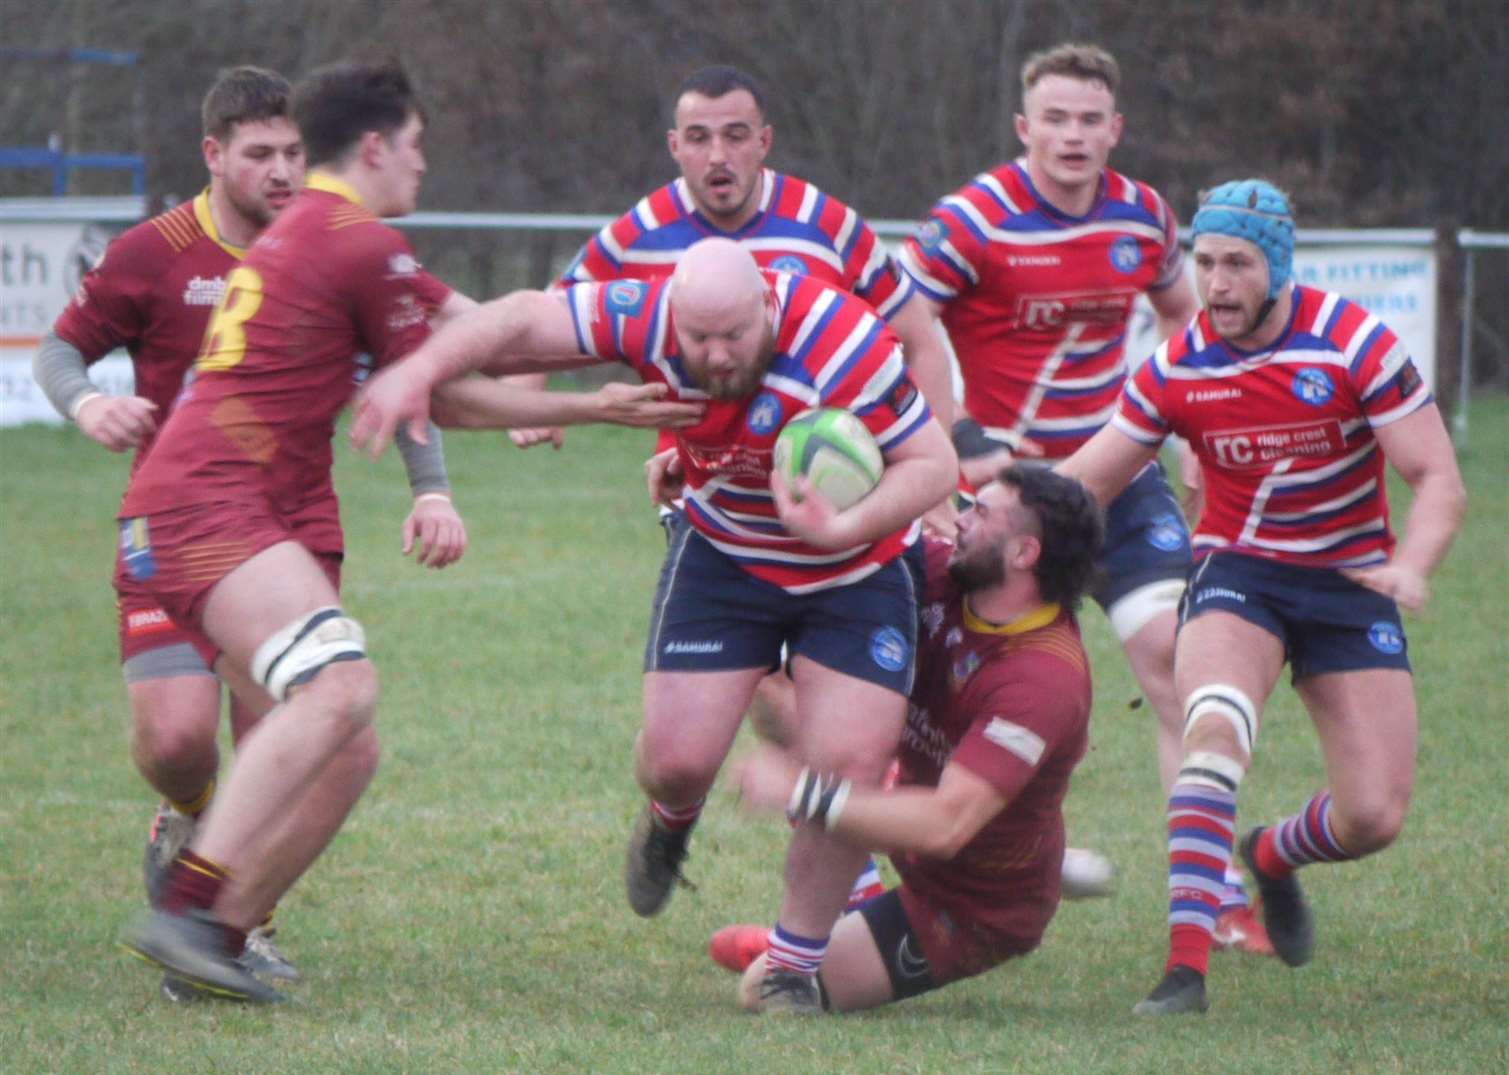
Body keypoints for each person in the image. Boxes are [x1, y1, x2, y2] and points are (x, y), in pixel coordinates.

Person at [118, 56, 698, 1005]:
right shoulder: (354, 240)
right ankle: (188, 899)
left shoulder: (332, 237)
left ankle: (214, 940)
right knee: (340, 682)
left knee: (348, 742)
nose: (424, 166)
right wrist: (672, 328)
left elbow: (460, 369)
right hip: (205, 505)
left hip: (200, 507)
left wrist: (599, 394)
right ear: (377, 146)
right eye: (419, 145)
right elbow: (484, 352)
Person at [350, 237, 958, 1014]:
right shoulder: (644, 317)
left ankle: (793, 966)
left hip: (854, 569)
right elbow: (520, 317)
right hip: (725, 553)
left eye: (732, 337)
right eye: (695, 338)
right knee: (676, 761)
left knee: (845, 764)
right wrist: (419, 368)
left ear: (766, 308)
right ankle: (671, 821)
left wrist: (841, 528)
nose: (711, 354)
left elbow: (932, 466)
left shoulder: (843, 341)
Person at [32, 65, 467, 995]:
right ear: (213, 155)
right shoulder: (156, 252)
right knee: (175, 742)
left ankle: (233, 927)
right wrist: (84, 407)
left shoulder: (331, 242)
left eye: (294, 154)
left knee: (299, 722)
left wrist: (432, 489)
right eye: (260, 154)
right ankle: (189, 823)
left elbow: (421, 358)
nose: (281, 172)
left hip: (292, 523)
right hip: (179, 517)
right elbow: (64, 344)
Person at [1058, 178, 1467, 1015]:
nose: (1214, 285)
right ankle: (1183, 971)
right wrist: (981, 517)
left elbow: (1437, 479)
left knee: (1372, 817)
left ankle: (1271, 855)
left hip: (1352, 584)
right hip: (1239, 573)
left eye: (1236, 264)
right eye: (1202, 263)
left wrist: (1411, 565)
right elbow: (1082, 484)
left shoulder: (1353, 343)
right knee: (1211, 729)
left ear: (1276, 266)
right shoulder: (1176, 364)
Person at [896, 42, 1272, 945]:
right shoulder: (972, 219)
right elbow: (902, 330)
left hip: (1116, 480)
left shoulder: (1142, 215)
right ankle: (1001, 844)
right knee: (951, 693)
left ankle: (1212, 888)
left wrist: (1188, 424)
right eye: (1053, 119)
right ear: (1025, 128)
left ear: (1115, 129)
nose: (1071, 135)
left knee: (1176, 667)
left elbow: (1184, 317)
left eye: (1088, 119)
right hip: (1006, 499)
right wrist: (954, 443)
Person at [716, 464, 1102, 1013]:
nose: (960, 521)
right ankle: (834, 919)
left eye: (981, 513)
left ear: (1023, 554)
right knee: (770, 667)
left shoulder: (1043, 681)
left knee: (762, 990)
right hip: (907, 810)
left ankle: (824, 931)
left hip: (972, 903)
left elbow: (946, 825)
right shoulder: (944, 576)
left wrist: (800, 791)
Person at [521, 65, 953, 491]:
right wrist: (532, 403)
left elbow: (922, 343)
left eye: (735, 135)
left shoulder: (824, 222)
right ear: (674, 146)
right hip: (696, 484)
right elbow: (549, 316)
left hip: (826, 483)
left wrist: (929, 481)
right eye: (698, 138)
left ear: (764, 141)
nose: (717, 155)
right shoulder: (639, 233)